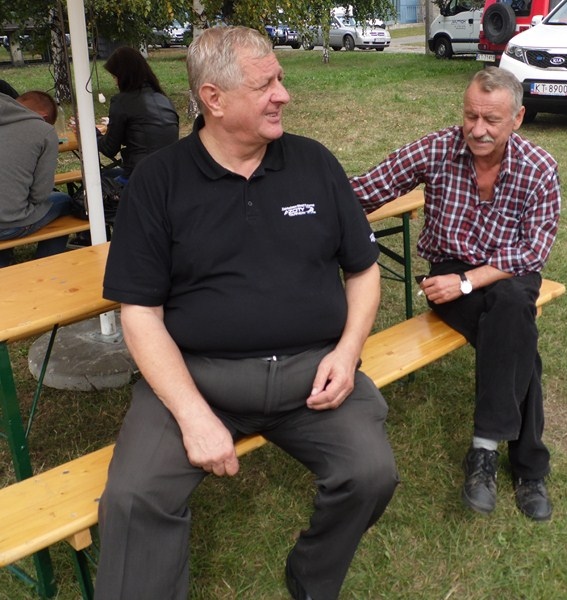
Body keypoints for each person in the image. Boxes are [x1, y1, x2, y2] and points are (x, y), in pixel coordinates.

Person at [97, 26, 397, 600]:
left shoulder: (313, 163)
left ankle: (311, 578)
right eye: (265, 85)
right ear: (213, 99)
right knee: (134, 498)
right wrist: (193, 416)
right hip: (197, 379)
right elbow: (140, 313)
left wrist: (348, 352)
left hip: (312, 375)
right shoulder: (159, 181)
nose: (284, 94)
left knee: (370, 473)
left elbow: (363, 271)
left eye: (279, 78)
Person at [351, 67, 561, 521]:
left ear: (518, 118)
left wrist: (469, 281)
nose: (477, 129)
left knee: (512, 308)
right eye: (470, 115)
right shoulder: (438, 148)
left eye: (491, 120)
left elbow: (533, 250)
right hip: (449, 274)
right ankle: (529, 470)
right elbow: (368, 189)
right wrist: (300, 202)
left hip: (508, 272)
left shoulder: (539, 168)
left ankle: (484, 450)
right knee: (518, 338)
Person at [0, 91, 72, 267]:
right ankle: (45, 264)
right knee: (65, 201)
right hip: (9, 225)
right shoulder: (43, 131)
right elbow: (40, 194)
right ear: (43, 117)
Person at [96, 46, 179, 183]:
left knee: (93, 186)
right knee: (108, 174)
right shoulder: (164, 99)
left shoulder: (122, 101)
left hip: (140, 177)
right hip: (169, 175)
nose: (115, 82)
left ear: (124, 76)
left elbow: (109, 148)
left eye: (115, 77)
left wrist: (92, 134)